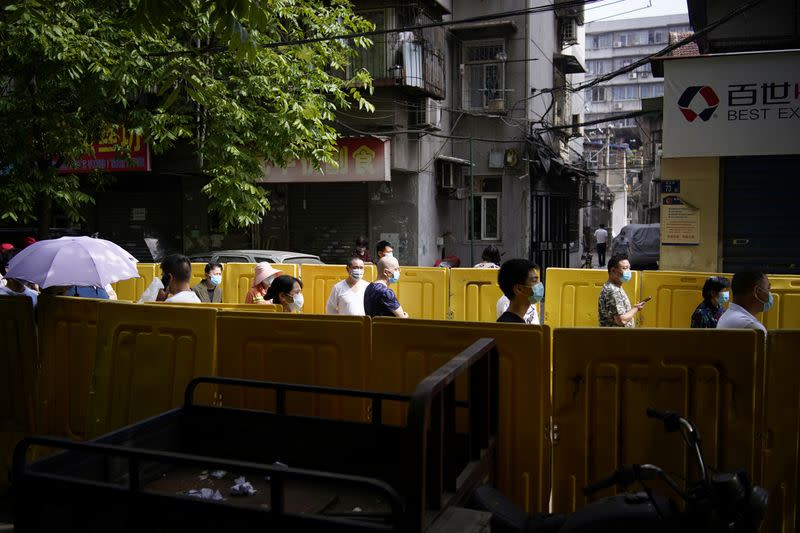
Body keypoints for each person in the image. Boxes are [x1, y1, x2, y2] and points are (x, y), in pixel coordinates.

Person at [598, 254, 647, 327]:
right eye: (625, 268)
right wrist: (636, 308)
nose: (628, 271)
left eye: (629, 268)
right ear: (613, 271)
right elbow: (621, 320)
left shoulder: (615, 287)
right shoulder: (613, 291)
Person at [717, 271, 771, 335]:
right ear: (757, 291)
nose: (769, 293)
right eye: (768, 288)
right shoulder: (752, 328)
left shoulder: (727, 316)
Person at [496, 259, 543, 323]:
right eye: (534, 281)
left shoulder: (503, 322)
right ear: (519, 289)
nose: (539, 285)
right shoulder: (518, 329)